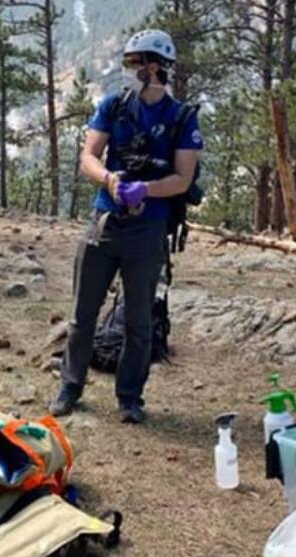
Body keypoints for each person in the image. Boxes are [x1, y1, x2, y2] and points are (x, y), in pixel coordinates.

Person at [49, 29, 202, 424]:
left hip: (148, 230)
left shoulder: (181, 117)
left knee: (138, 320)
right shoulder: (114, 106)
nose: (131, 70)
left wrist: (145, 189)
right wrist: (111, 181)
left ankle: (130, 397)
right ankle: (70, 385)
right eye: (129, 62)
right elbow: (89, 155)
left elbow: (183, 179)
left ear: (158, 67)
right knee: (83, 314)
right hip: (104, 223)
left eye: (138, 63)